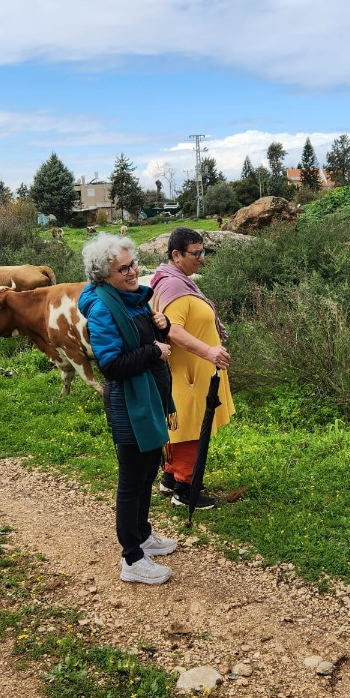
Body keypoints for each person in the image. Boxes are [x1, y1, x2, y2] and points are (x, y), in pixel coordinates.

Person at [78, 233, 178, 585]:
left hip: (148, 398)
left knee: (148, 470)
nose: (133, 271)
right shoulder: (104, 308)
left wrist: (159, 329)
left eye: (133, 264)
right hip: (128, 404)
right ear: (103, 275)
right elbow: (112, 366)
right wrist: (154, 350)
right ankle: (132, 558)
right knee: (132, 479)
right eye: (123, 268)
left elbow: (147, 343)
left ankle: (143, 534)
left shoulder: (134, 300)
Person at [149, 227, 235, 509]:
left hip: (191, 368)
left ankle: (171, 477)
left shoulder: (174, 280)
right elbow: (173, 330)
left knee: (181, 422)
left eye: (203, 252)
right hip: (188, 370)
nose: (201, 258)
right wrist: (209, 351)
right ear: (176, 254)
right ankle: (185, 490)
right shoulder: (173, 287)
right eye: (196, 253)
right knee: (191, 424)